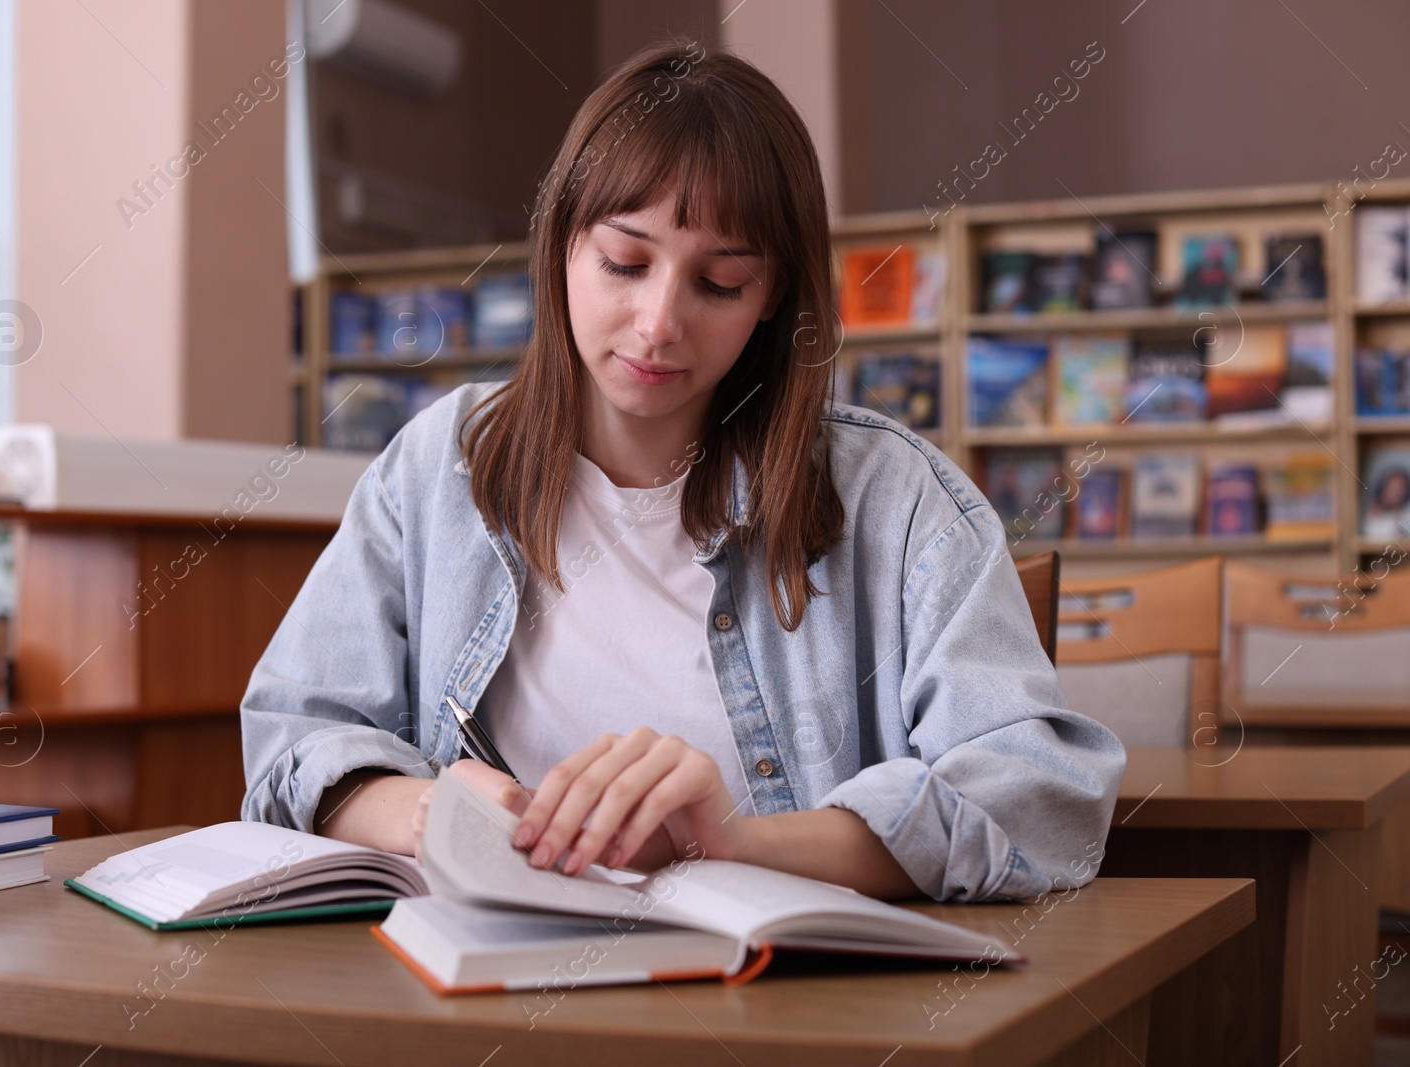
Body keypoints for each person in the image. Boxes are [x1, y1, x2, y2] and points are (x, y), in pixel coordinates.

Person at [240, 38, 1124, 903]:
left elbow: (1041, 795)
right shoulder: (437, 467)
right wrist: (436, 809)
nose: (659, 322)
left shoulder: (896, 500)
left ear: (773, 293)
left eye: (720, 283)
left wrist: (734, 843)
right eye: (624, 263)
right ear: (560, 247)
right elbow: (294, 737)